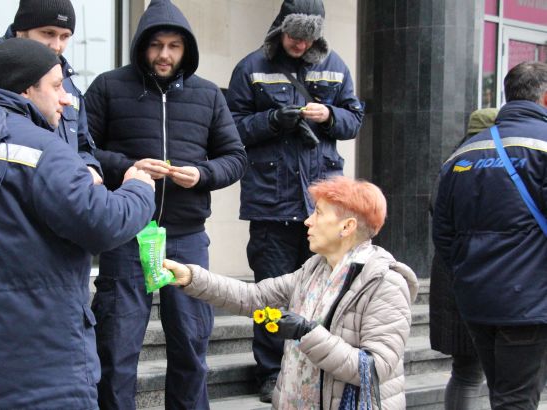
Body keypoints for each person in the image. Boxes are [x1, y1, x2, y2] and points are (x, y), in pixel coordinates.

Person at [0, 38, 156, 408]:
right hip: (45, 375)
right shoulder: (45, 150)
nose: (66, 99)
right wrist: (139, 187)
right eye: (56, 86)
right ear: (26, 89)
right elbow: (104, 222)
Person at [84, 0, 247, 408]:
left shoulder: (209, 95)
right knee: (116, 350)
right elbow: (82, 148)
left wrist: (203, 174)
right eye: (157, 44)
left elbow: (236, 157)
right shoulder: (107, 86)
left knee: (191, 349)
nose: (164, 55)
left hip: (187, 240)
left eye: (174, 46)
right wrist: (128, 168)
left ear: (186, 49)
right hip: (125, 236)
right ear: (142, 45)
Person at [164, 176, 417, 409]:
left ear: (347, 227)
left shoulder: (385, 283)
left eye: (318, 213)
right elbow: (255, 297)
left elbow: (373, 369)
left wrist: (307, 333)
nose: (308, 220)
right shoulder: (314, 269)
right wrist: (191, 277)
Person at [225, 0, 364, 401]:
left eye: (307, 38)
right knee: (270, 289)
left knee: (325, 290)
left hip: (324, 205)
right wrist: (271, 121)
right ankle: (270, 372)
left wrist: (330, 116)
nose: (299, 44)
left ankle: (315, 363)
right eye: (293, 36)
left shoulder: (335, 63)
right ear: (279, 29)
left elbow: (355, 118)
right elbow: (230, 127)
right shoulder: (251, 67)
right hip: (271, 204)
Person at [433, 61, 547, 410]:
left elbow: (443, 234)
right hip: (528, 303)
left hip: (476, 301)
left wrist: (472, 274)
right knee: (515, 400)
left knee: (503, 395)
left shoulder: (461, 154)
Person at [0, 0, 102, 184]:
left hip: (59, 201)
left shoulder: (65, 80)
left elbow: (82, 145)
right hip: (11, 205)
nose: (56, 45)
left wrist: (89, 168)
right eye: (48, 33)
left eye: (65, 36)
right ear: (21, 31)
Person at [428, 108, 498, 410]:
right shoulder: (495, 167)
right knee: (490, 376)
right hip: (487, 279)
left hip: (453, 279)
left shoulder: (452, 163)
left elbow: (439, 223)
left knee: (466, 372)